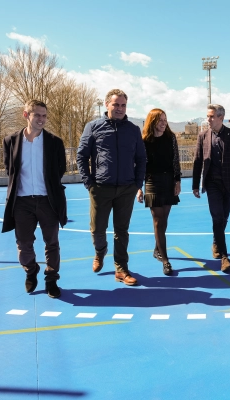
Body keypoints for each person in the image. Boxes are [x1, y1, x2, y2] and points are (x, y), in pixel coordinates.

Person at [76, 89, 146, 286]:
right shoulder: (93, 127)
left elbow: (141, 158)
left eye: (123, 105)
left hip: (126, 189)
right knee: (98, 228)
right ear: (107, 105)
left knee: (121, 230)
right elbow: (82, 156)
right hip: (100, 188)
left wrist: (137, 184)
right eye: (116, 104)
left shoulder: (133, 130)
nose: (120, 108)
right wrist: (89, 183)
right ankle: (100, 251)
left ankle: (121, 269)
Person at [2, 100, 67, 298]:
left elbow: (60, 169)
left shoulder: (55, 142)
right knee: (23, 243)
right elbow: (9, 169)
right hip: (21, 202)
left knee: (52, 242)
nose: (41, 119)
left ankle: (51, 278)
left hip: (48, 201)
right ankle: (31, 271)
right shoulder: (10, 140)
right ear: (26, 115)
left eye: (44, 115)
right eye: (37, 115)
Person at [192, 104, 230, 272]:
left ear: (221, 118)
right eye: (208, 116)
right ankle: (224, 256)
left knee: (224, 218)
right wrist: (195, 185)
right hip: (212, 184)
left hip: (229, 184)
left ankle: (216, 242)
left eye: (211, 116)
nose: (208, 119)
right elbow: (197, 161)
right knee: (217, 217)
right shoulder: (203, 136)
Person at [136, 109, 181, 276]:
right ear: (152, 122)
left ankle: (157, 249)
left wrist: (178, 181)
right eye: (160, 120)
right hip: (152, 182)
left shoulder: (171, 138)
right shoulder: (144, 141)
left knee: (164, 221)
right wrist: (139, 187)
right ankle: (165, 260)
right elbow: (139, 165)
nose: (163, 123)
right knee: (158, 220)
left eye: (165, 119)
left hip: (169, 182)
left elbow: (176, 161)